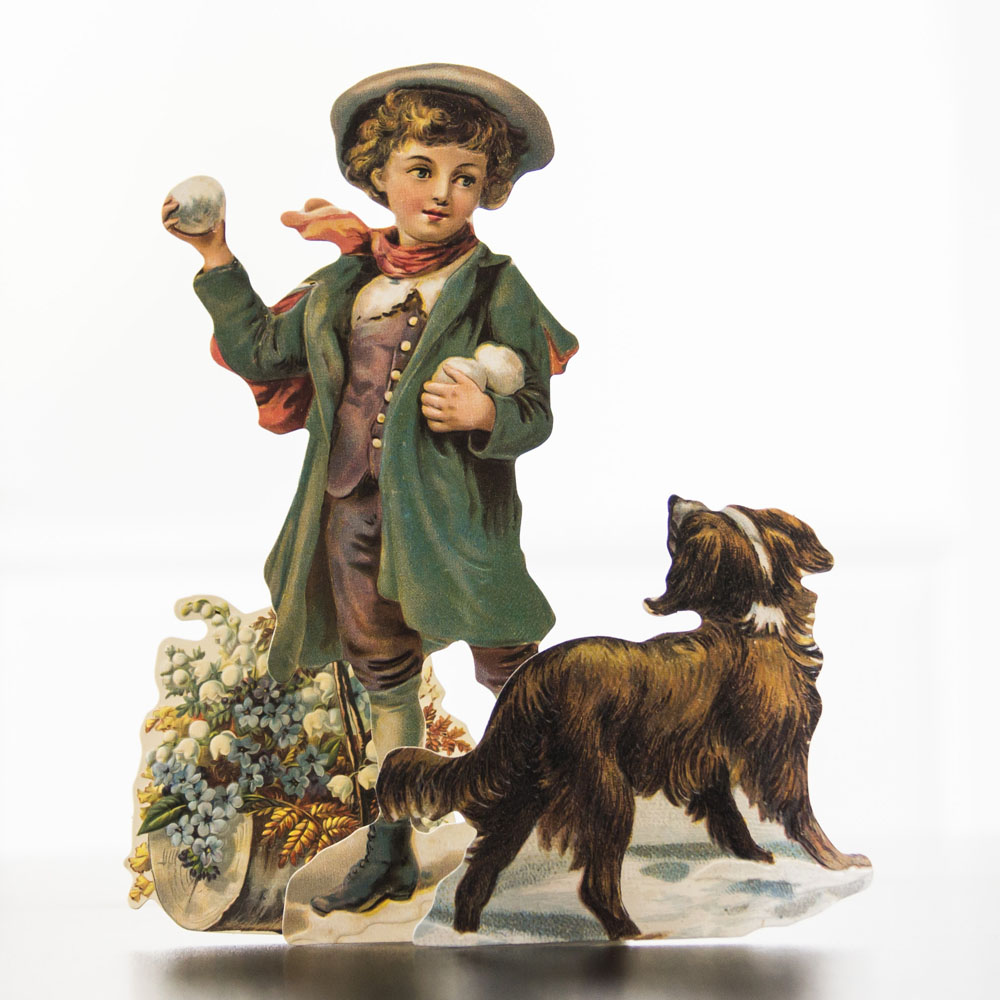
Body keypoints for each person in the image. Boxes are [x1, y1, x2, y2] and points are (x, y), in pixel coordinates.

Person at [161, 63, 577, 915]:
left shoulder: (495, 285)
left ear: (488, 188)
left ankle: (555, 820)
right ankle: (390, 850)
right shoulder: (347, 283)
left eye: (466, 177)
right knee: (385, 682)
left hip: (459, 521)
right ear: (379, 173)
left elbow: (534, 414)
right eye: (422, 169)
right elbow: (260, 351)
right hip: (350, 513)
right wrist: (215, 257)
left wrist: (486, 413)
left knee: (511, 666)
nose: (442, 193)